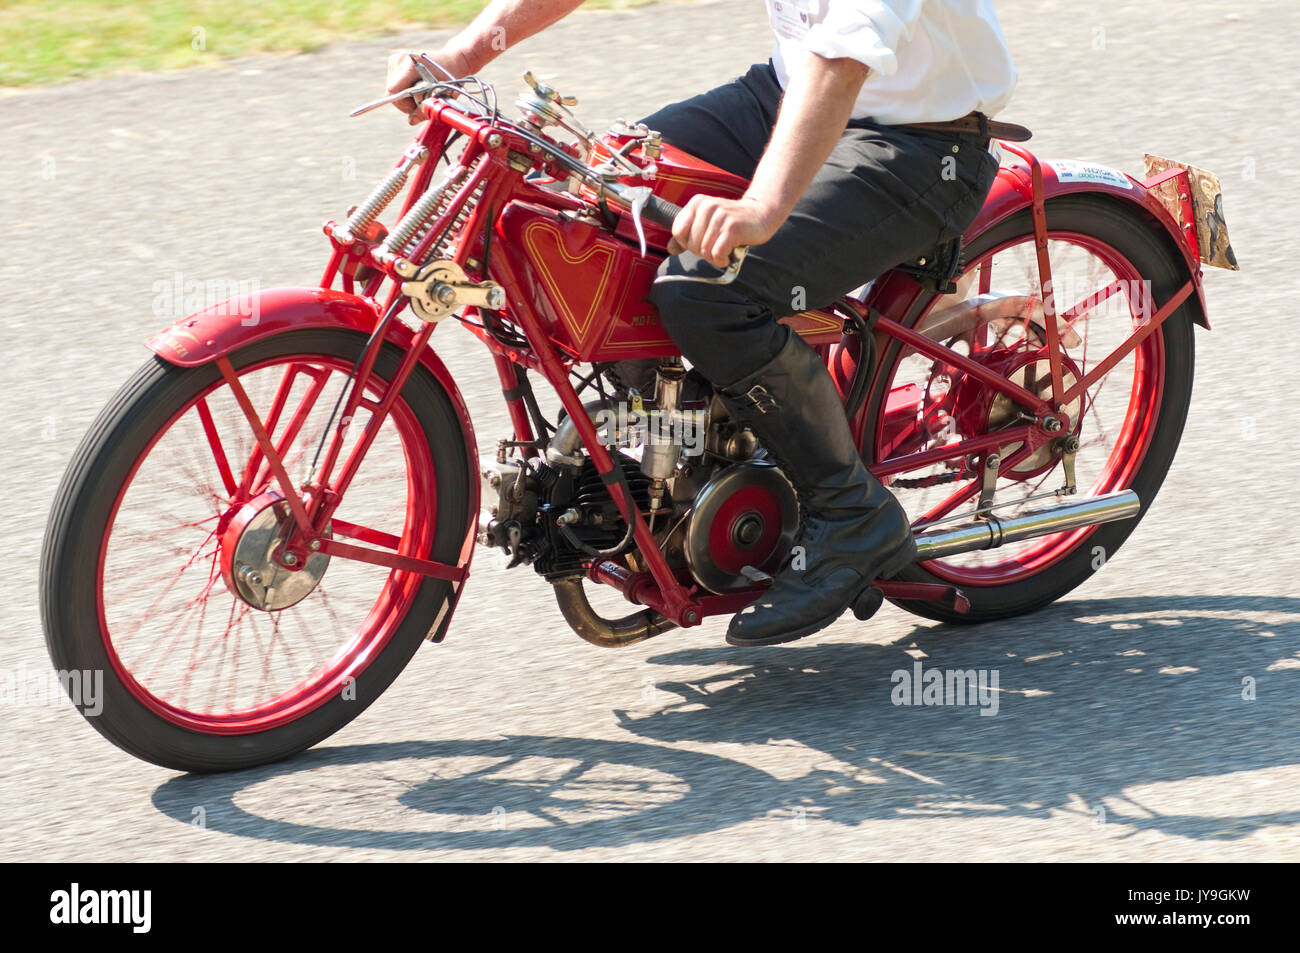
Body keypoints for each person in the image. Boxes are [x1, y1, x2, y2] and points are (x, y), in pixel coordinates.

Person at [386, 0, 1018, 645]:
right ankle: (673, 453)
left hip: (919, 140)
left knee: (706, 290)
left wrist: (762, 207)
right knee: (586, 218)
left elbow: (847, 52)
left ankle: (850, 510)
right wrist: (463, 56)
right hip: (783, 94)